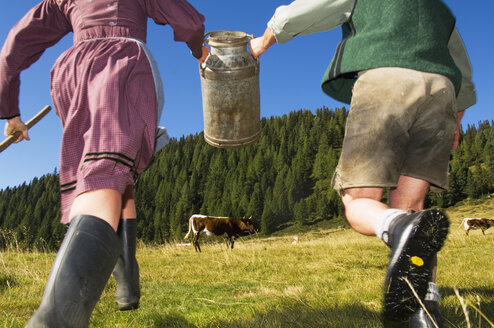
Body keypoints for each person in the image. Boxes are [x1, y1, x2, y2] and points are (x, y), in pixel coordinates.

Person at [249, 0, 476, 326]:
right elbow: (463, 71)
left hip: (387, 82)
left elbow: (306, 10)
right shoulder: (439, 8)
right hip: (441, 92)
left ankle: (400, 228)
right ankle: (422, 312)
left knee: (360, 204)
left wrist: (264, 40)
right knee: (411, 205)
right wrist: (456, 118)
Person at [0, 0, 208, 326]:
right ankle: (54, 320)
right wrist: (200, 51)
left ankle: (127, 277)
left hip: (72, 74)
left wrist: (10, 111)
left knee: (113, 171)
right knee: (105, 175)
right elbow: (189, 23)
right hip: (121, 65)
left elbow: (15, 43)